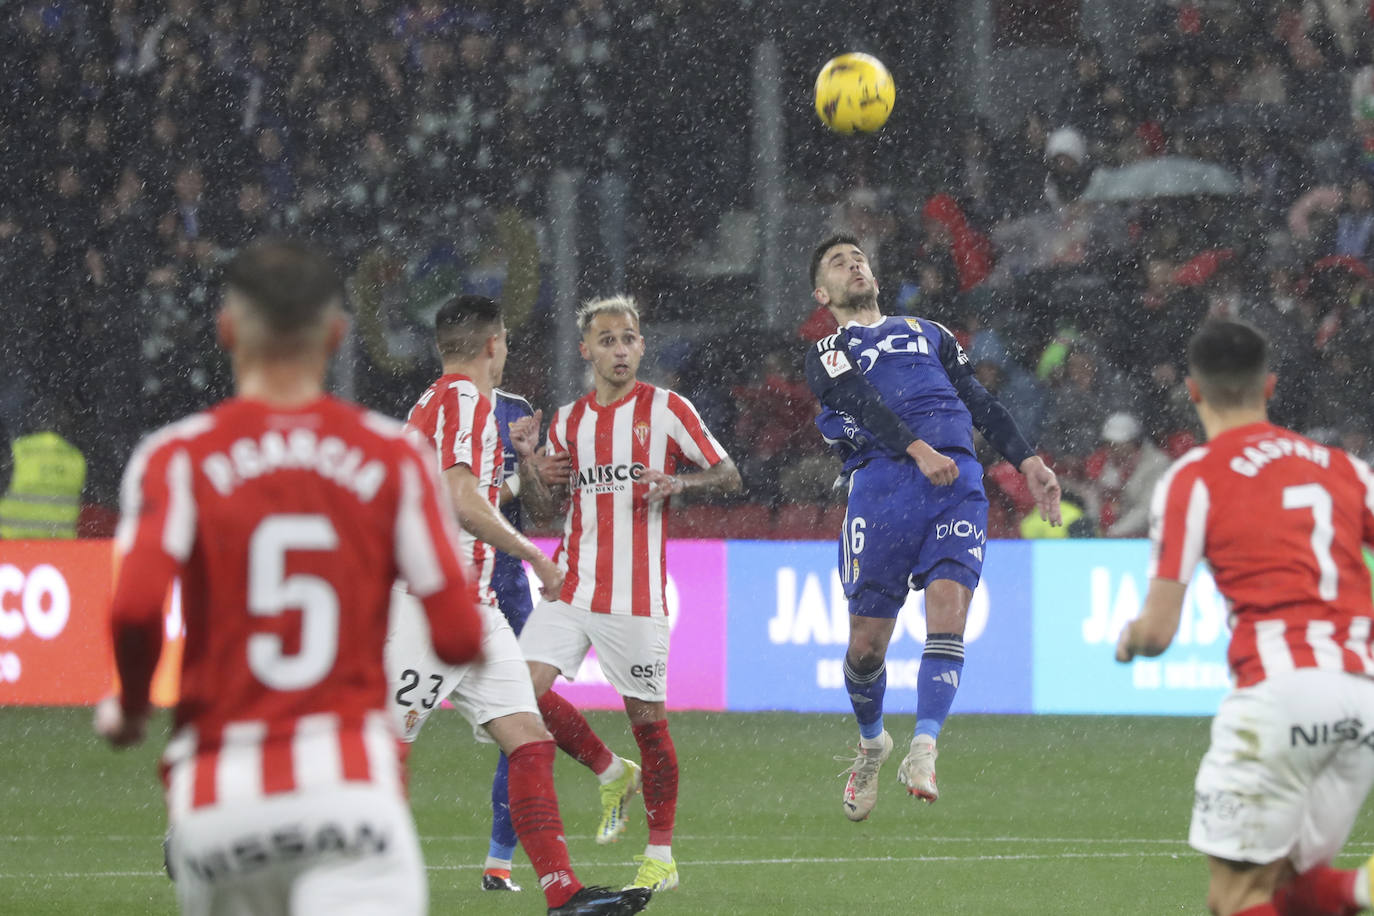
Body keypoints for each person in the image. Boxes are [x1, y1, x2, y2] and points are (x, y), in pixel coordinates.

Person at [92, 239, 487, 915]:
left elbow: (133, 611)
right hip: (349, 797)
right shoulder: (392, 458)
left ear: (226, 331)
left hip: (221, 804)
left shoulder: (176, 457)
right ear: (336, 335)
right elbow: (456, 632)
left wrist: (129, 709)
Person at [384, 294, 651, 916]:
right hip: (427, 606)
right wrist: (537, 557)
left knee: (529, 739)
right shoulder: (466, 401)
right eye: (504, 344)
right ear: (494, 346)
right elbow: (460, 499)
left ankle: (564, 896)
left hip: (473, 608)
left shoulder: (434, 401)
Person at [1116, 318, 1374, 916]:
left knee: (1233, 898)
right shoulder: (1341, 467)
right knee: (1289, 890)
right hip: (1362, 702)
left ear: (1194, 391)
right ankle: (1360, 888)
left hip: (1281, 694)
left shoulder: (1195, 477)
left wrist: (1129, 640)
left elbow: (1157, 632)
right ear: (1270, 386)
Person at [803, 233, 1061, 821]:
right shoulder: (827, 350)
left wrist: (1027, 459)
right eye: (839, 264)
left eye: (859, 257)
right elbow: (861, 405)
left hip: (956, 478)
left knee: (949, 612)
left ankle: (923, 746)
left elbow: (977, 398)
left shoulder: (930, 332)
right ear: (824, 292)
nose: (855, 265)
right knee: (868, 647)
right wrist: (918, 449)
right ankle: (873, 744)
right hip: (884, 485)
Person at [519, 295, 742, 893]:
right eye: (608, 339)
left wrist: (679, 482)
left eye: (630, 339)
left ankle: (661, 853)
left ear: (642, 346)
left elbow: (729, 473)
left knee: (649, 723)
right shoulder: (568, 420)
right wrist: (534, 472)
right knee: (518, 695)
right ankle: (609, 768)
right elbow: (546, 507)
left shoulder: (668, 409)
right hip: (570, 585)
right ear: (587, 349)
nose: (620, 349)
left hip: (636, 597)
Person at [479, 386, 563, 893]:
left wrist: (529, 462)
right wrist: (511, 473)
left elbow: (543, 511)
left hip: (506, 595)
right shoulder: (435, 408)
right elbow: (455, 502)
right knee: (391, 725)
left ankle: (499, 864)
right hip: (442, 590)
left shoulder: (515, 410)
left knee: (527, 728)